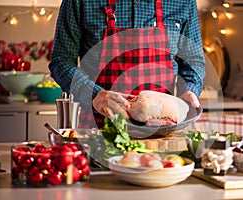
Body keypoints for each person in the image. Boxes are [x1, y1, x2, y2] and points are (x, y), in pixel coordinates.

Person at [49, 0, 205, 129]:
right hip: (98, 129)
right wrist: (94, 95)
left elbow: (193, 60)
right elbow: (61, 60)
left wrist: (188, 91)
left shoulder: (184, 2)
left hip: (162, 131)